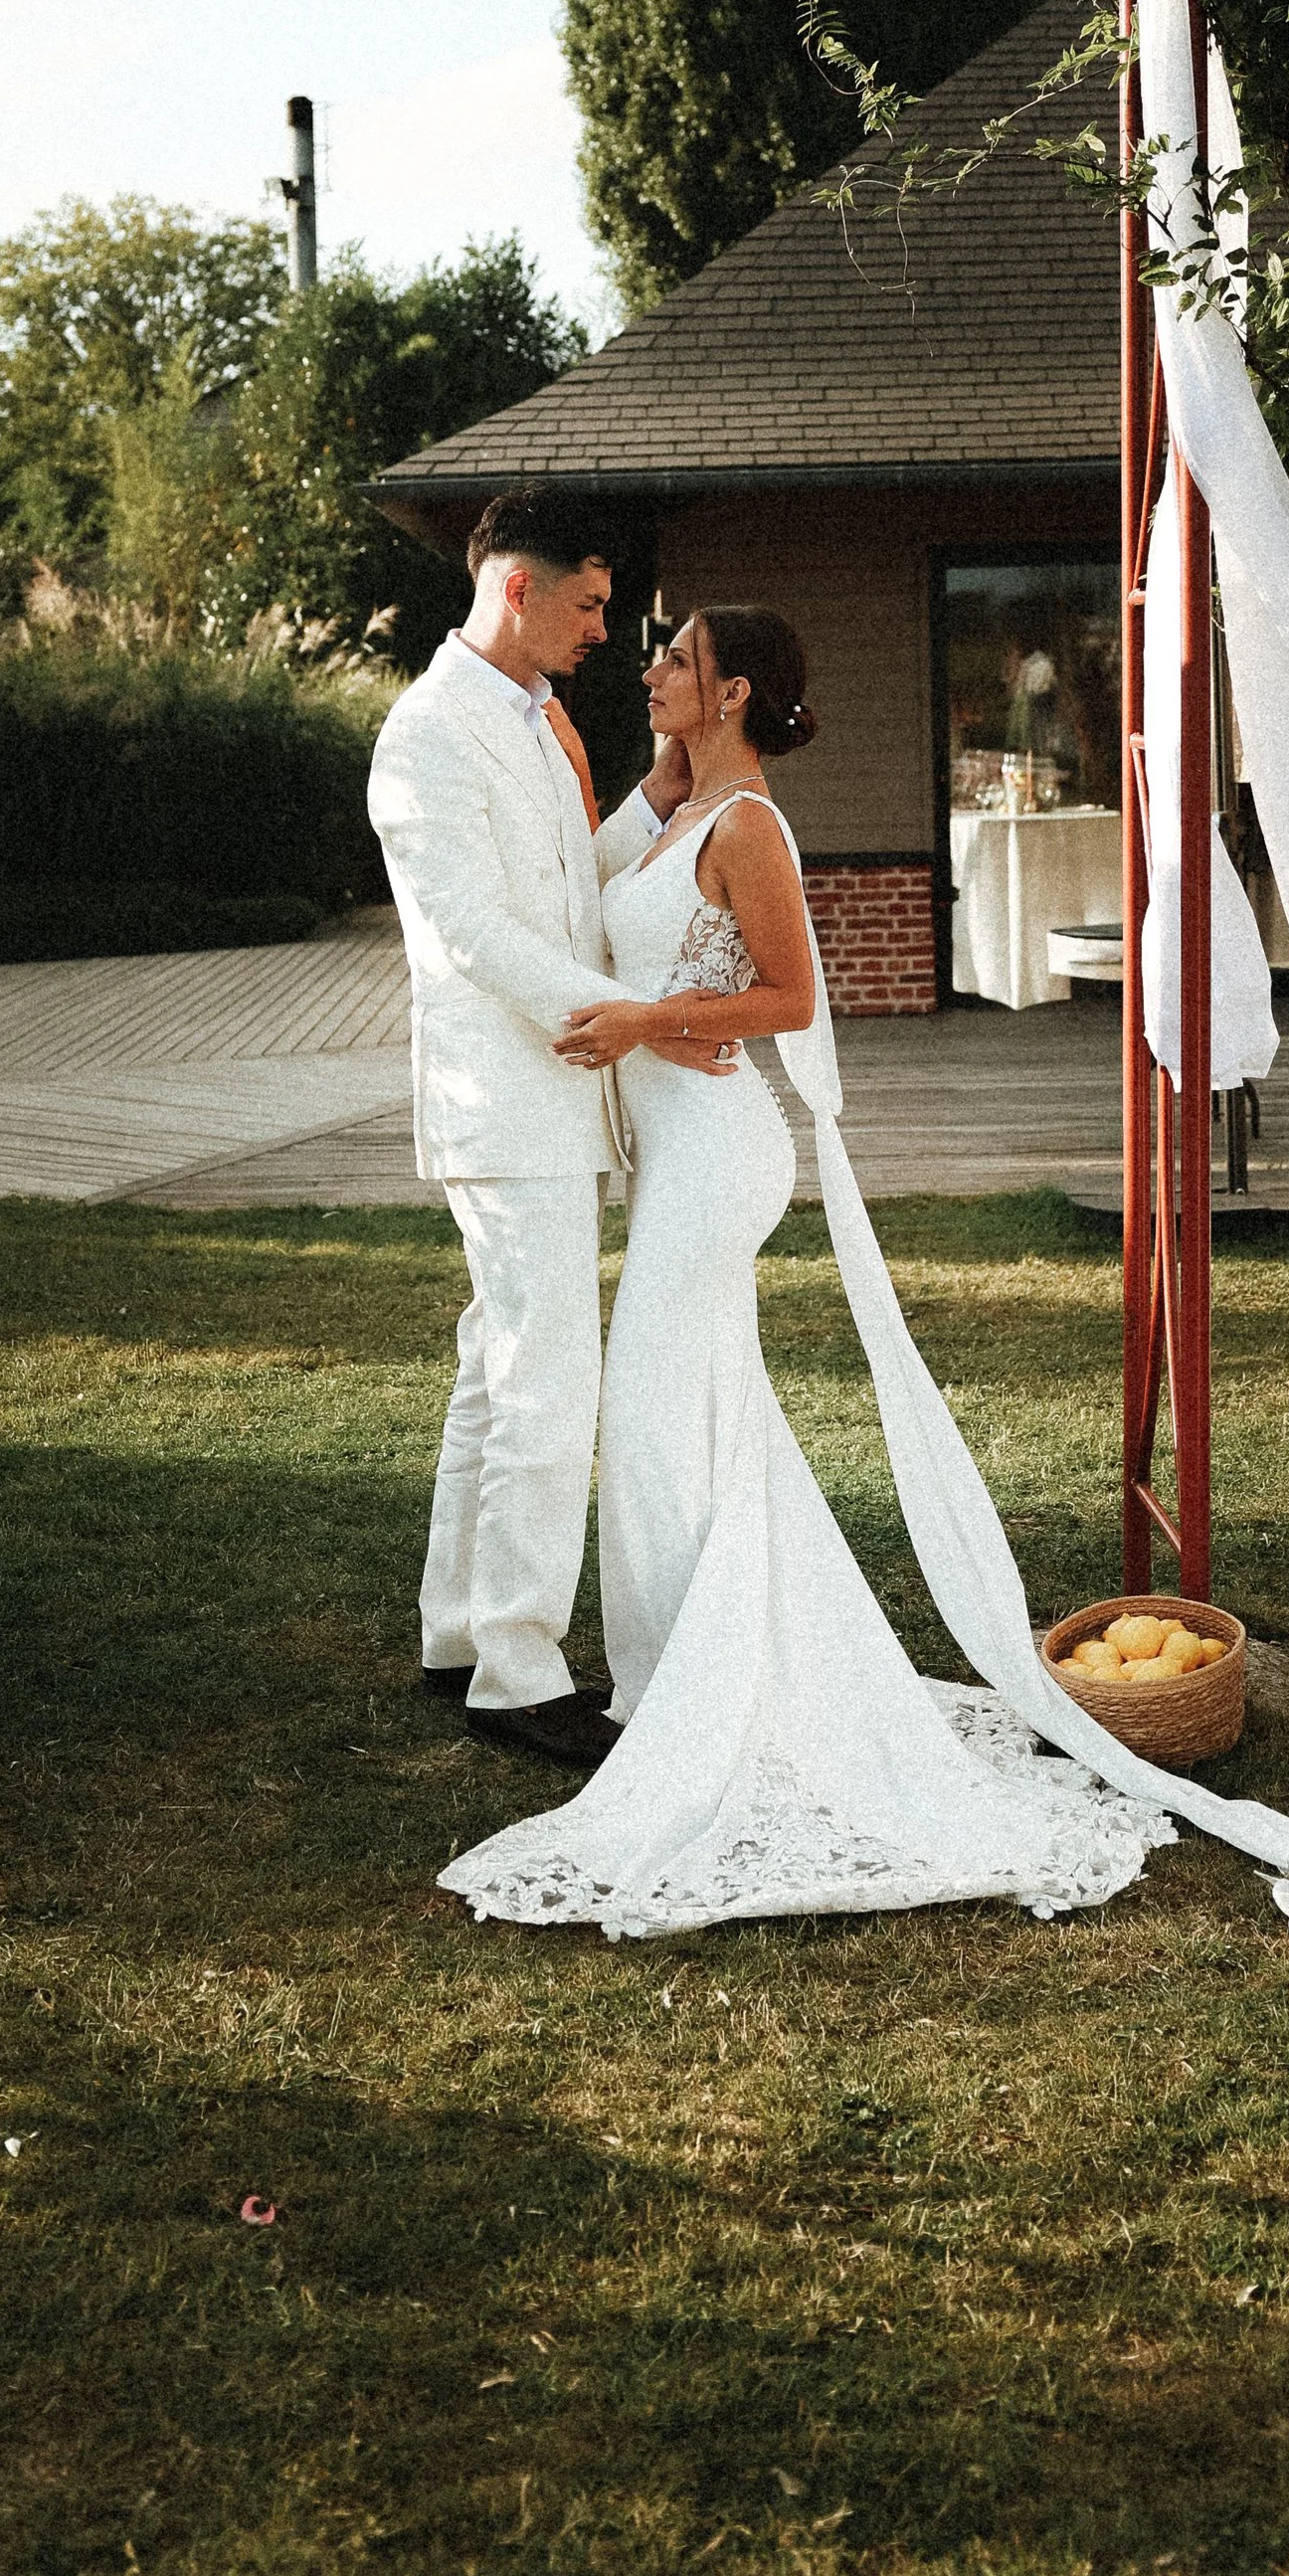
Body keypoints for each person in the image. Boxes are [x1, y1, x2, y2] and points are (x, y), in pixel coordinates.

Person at [439, 603, 1169, 1931]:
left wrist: (652, 1018)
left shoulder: (750, 828)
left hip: (720, 1155)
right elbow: (597, 908)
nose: (651, 668)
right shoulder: (682, 810)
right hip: (676, 1151)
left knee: (649, 1408)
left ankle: (681, 1686)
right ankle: (686, 1671)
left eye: (678, 659)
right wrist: (655, 818)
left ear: (733, 691)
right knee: (692, 1414)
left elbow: (788, 998)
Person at [365, 489, 734, 1770]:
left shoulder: (531, 718)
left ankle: (457, 1633)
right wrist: (639, 1018)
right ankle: (520, 1671)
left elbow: (565, 884)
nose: (602, 631)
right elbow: (473, 931)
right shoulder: (428, 733)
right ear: (516, 587)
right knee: (547, 1376)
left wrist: (657, 799)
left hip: (553, 1098)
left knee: (497, 1363)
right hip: (504, 1102)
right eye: (587, 603)